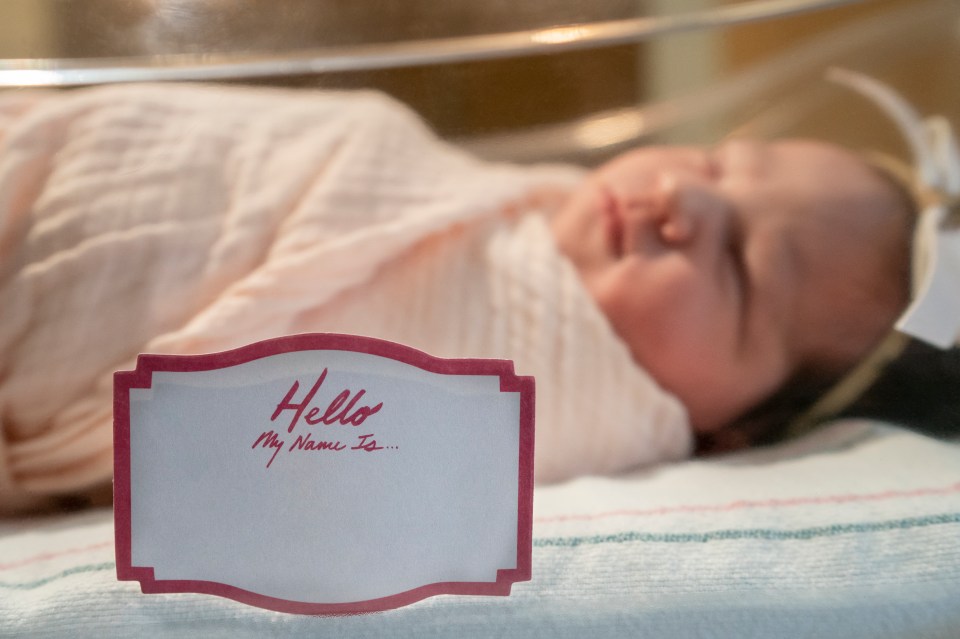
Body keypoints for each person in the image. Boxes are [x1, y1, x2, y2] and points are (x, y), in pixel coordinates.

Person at [0, 71, 955, 513]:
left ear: (731, 431)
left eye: (744, 267)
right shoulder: (495, 202)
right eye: (716, 159)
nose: (685, 197)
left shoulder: (568, 408)